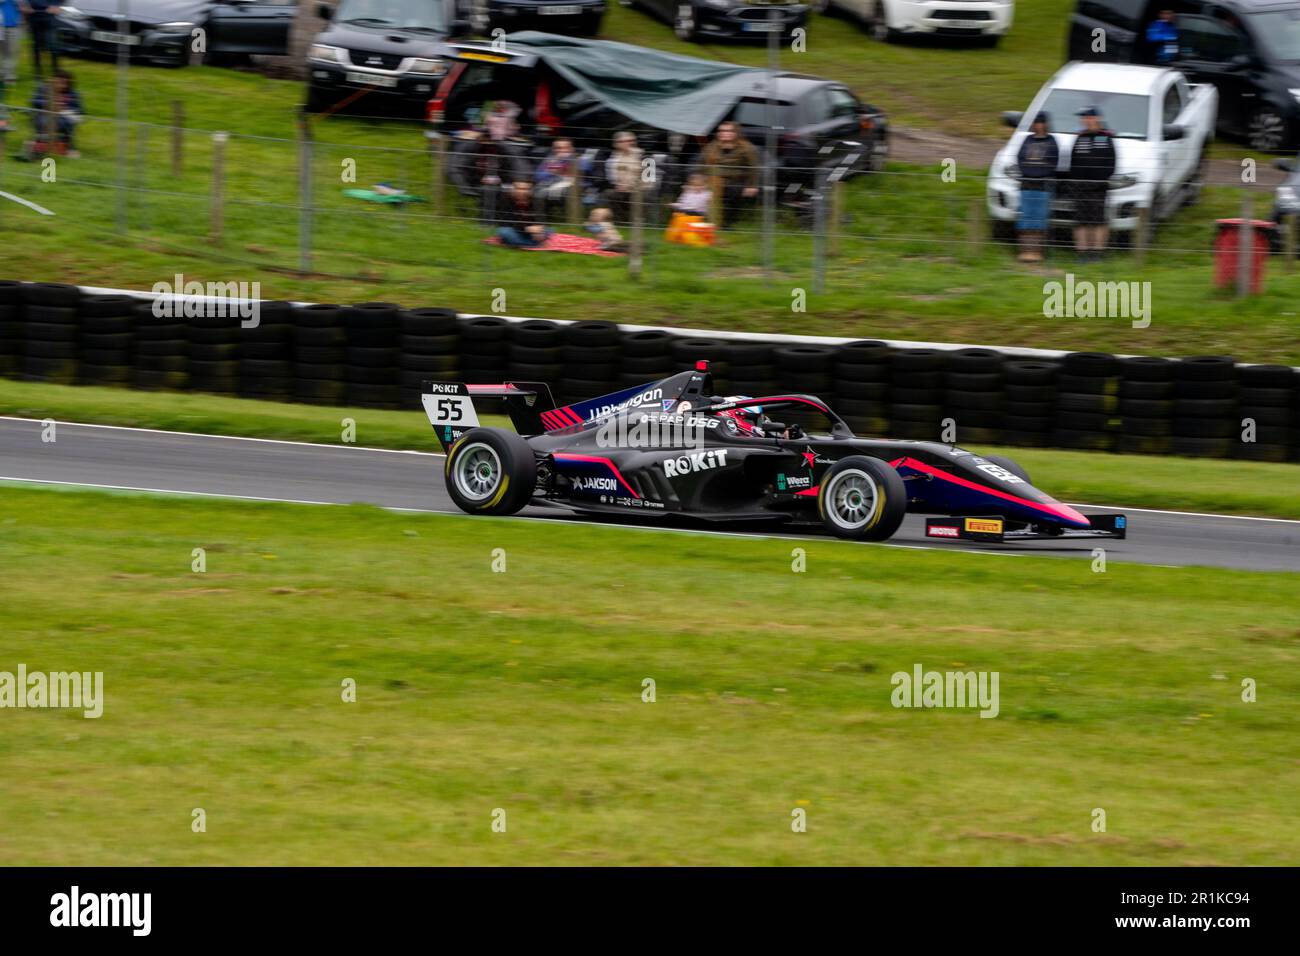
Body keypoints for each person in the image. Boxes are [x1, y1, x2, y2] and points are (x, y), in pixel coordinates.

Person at [1067, 106, 1116, 263]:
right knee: (1081, 221)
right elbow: (1073, 163)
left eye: (1088, 117)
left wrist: (1099, 181)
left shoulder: (1106, 138)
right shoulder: (1080, 138)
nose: (1085, 121)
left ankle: (1097, 254)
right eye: (1083, 118)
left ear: (1096, 119)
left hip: (1099, 188)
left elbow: (1111, 164)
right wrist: (1076, 183)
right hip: (1080, 188)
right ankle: (1082, 253)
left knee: (1098, 221)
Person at [1015, 112, 1059, 263]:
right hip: (1027, 184)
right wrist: (1030, 172)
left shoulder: (1052, 141)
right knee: (1026, 216)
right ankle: (1025, 250)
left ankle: (1037, 251)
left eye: (1040, 122)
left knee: (1039, 218)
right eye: (1036, 122)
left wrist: (1038, 173)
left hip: (1043, 186)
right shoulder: (1027, 140)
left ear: (1045, 124)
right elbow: (1020, 159)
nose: (1038, 125)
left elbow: (1053, 162)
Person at [698, 121, 759, 227]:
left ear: (736, 133)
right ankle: (706, 219)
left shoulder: (747, 148)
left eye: (729, 130)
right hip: (714, 179)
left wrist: (752, 185)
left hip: (736, 180)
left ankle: (727, 222)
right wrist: (699, 180)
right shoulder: (711, 147)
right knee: (704, 190)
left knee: (733, 191)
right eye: (722, 131)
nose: (724, 133)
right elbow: (702, 164)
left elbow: (753, 168)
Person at [31, 69, 81, 156]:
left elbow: (78, 109)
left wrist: (65, 108)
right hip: (45, 114)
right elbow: (34, 101)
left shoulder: (73, 94)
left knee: (67, 123)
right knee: (43, 122)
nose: (62, 85)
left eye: (64, 83)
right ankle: (41, 145)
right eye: (59, 81)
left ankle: (67, 146)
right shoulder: (44, 89)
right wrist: (48, 104)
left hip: (63, 117)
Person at [496, 180, 551, 248]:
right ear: (513, 189)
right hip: (515, 230)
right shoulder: (505, 200)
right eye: (518, 188)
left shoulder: (537, 201)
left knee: (548, 230)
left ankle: (519, 243)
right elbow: (505, 222)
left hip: (533, 232)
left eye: (526, 189)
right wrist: (526, 228)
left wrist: (539, 229)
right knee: (504, 232)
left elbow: (541, 218)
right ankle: (534, 244)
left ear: (531, 190)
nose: (522, 191)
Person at [603, 131, 643, 223]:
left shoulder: (645, 156)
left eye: (631, 140)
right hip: (622, 190)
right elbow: (612, 178)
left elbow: (649, 179)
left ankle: (634, 221)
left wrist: (632, 186)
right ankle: (620, 222)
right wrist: (619, 185)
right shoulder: (614, 158)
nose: (629, 143)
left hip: (639, 190)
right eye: (624, 141)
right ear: (616, 144)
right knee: (609, 193)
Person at [534, 138, 585, 204]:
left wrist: (563, 161)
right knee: (538, 193)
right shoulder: (548, 159)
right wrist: (551, 172)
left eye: (564, 148)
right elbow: (538, 176)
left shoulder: (580, 159)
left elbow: (582, 175)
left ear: (571, 149)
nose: (560, 151)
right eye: (557, 148)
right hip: (549, 187)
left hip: (570, 189)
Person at [20, 0, 60, 77]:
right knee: (36, 46)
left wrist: (56, 5)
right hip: (34, 16)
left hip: (49, 17)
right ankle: (37, 71)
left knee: (53, 45)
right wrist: (25, 5)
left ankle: (56, 71)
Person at [0, 0, 20, 85]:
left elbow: (21, 4)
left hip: (12, 24)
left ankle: (9, 76)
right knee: (4, 51)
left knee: (10, 51)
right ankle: (4, 72)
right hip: (1, 25)